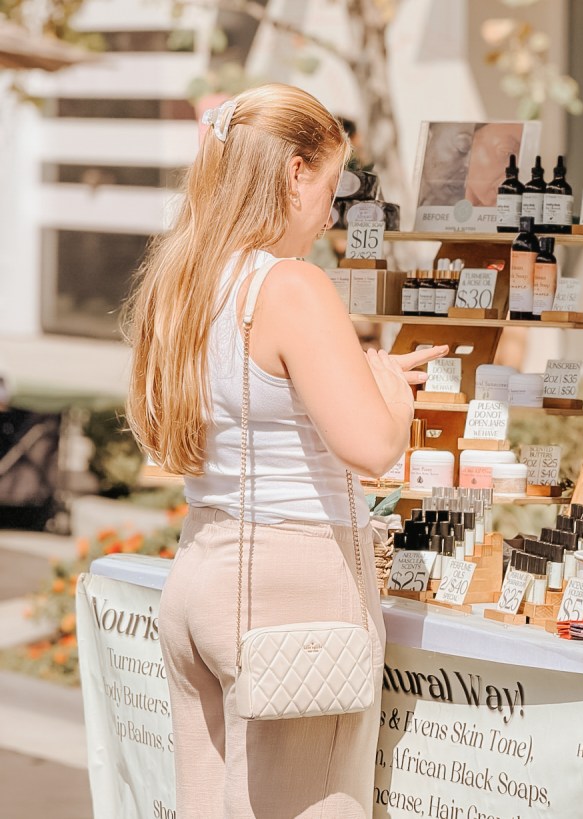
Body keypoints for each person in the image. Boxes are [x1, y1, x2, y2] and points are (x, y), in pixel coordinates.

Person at [124, 83, 446, 817]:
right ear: (296, 172)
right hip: (291, 585)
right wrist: (391, 394)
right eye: (330, 187)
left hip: (201, 569)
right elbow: (371, 445)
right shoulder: (291, 285)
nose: (330, 213)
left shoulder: (183, 278)